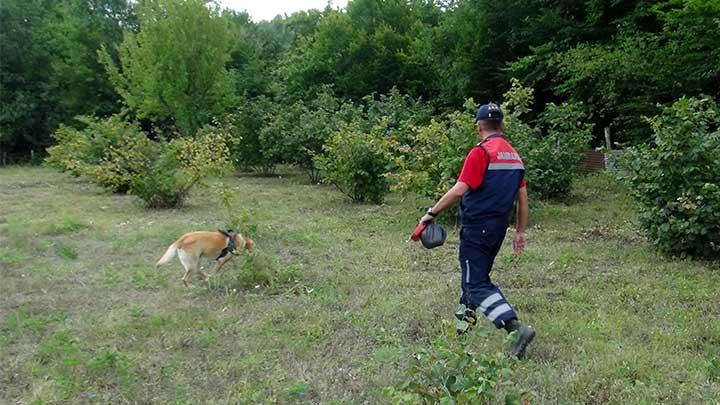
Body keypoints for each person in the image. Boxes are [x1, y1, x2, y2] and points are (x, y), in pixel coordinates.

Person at [418, 102, 535, 358]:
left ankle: (515, 329)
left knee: (476, 284)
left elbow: (460, 189)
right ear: (502, 125)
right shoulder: (514, 156)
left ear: (479, 126)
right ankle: (462, 333)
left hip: (476, 229)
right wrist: (520, 231)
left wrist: (430, 214)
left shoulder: (481, 153)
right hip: (497, 230)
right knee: (471, 279)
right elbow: (523, 199)